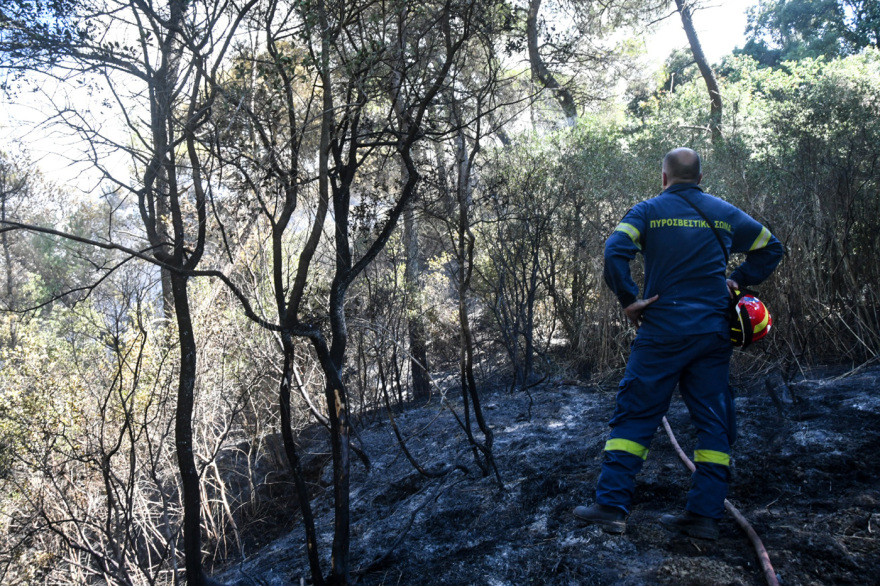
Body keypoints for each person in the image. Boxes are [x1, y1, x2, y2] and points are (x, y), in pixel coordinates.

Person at [573, 148, 784, 539]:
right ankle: (703, 517)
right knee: (713, 422)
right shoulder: (723, 211)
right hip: (711, 334)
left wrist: (629, 300)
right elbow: (772, 247)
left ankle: (612, 507)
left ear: (665, 177)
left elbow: (614, 250)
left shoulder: (648, 211)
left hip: (661, 333)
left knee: (635, 416)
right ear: (700, 177)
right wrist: (738, 278)